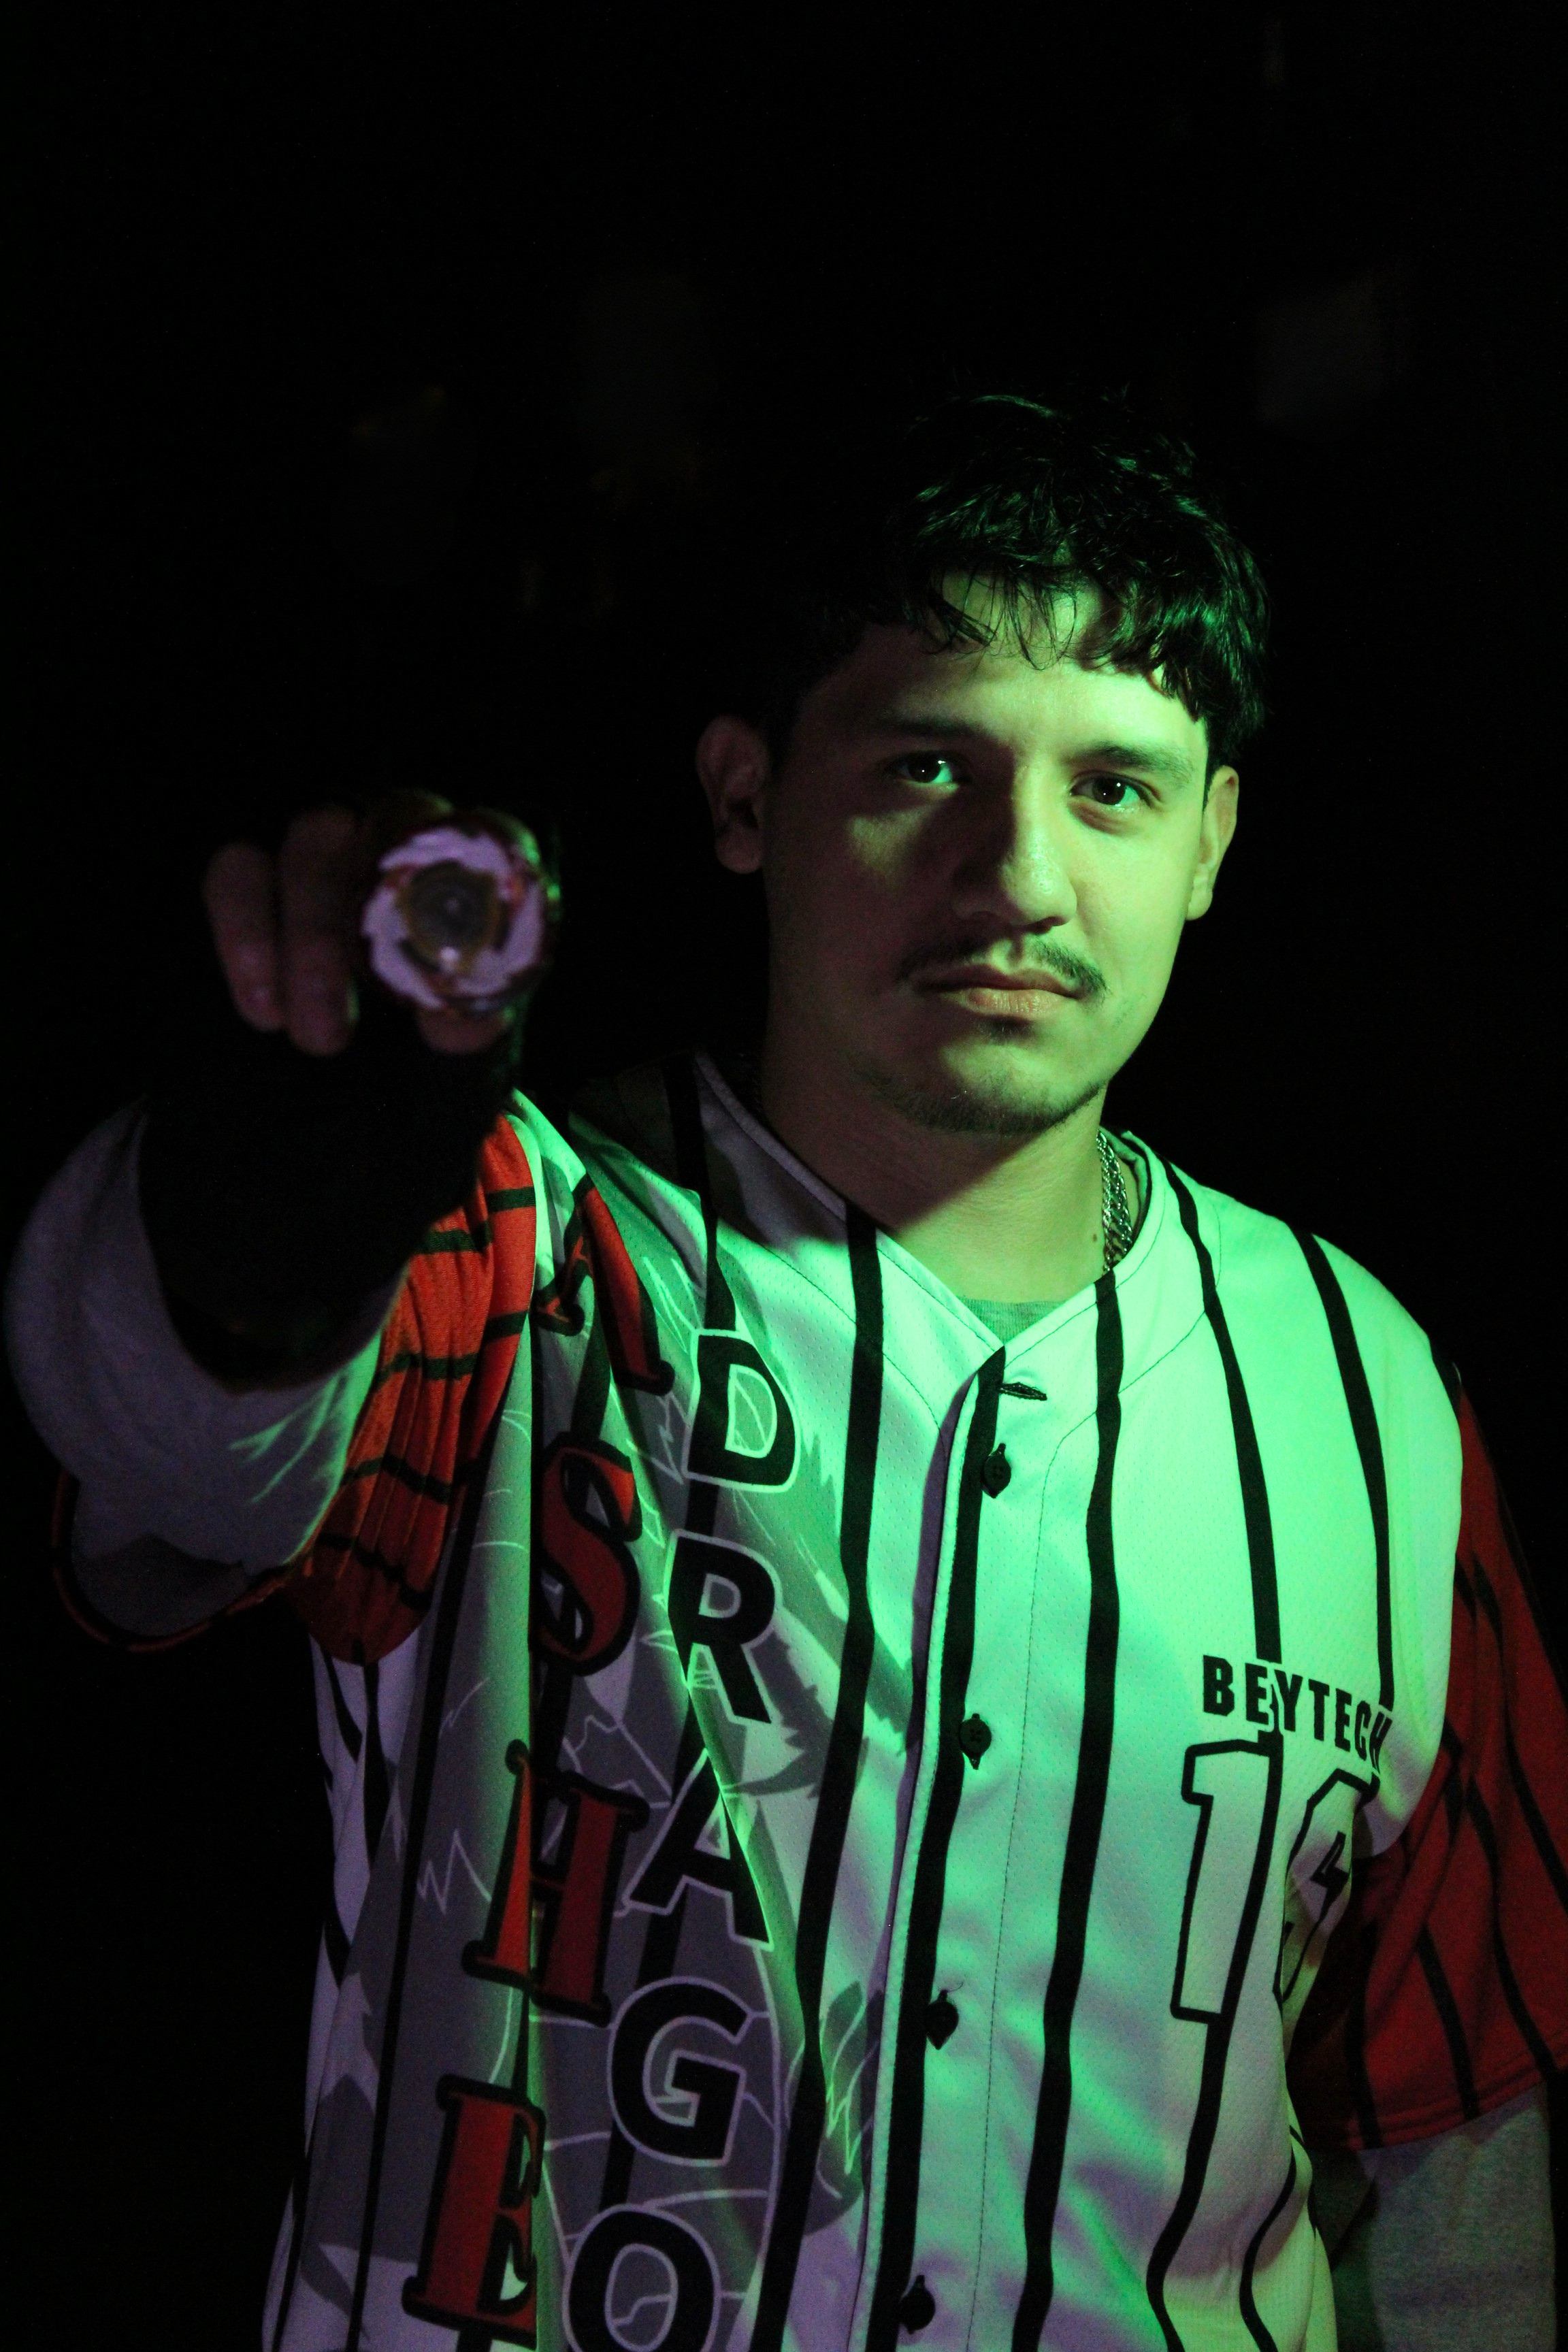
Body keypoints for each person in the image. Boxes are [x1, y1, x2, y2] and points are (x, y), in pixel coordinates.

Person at [8, 393, 1565, 2352]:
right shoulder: (516, 1239)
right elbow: (163, 1428)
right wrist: (284, 1168)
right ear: (744, 796)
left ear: (1213, 842)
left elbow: (1452, 2133)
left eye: (1114, 789)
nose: (1019, 876)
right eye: (930, 764)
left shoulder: (1370, 1403)